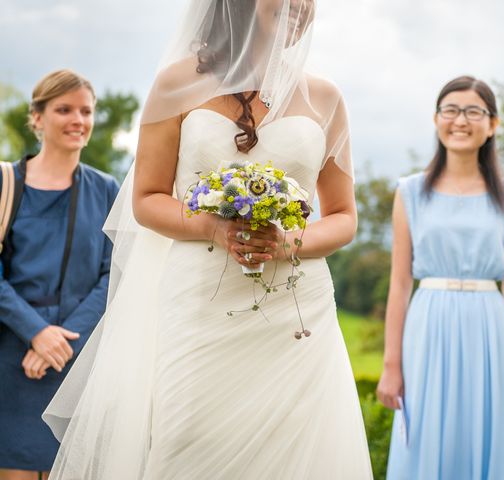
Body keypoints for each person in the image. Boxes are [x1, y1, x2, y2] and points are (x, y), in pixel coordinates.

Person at [43, 1, 373, 478]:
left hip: (295, 311)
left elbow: (342, 216)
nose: (301, 5)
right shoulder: (177, 83)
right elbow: (148, 198)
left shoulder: (325, 97)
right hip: (200, 299)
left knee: (299, 449)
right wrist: (213, 227)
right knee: (187, 442)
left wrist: (287, 242)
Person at [376, 76, 504, 479]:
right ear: (436, 119)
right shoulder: (410, 192)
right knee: (424, 438)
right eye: (450, 110)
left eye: (473, 111)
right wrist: (391, 366)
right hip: (428, 325)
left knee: (484, 435)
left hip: (490, 328)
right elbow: (399, 284)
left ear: (493, 124)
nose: (460, 120)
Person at [0, 70, 119, 480]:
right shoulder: (4, 183)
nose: (78, 120)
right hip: (10, 361)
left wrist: (65, 340)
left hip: (78, 362)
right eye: (64, 109)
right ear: (37, 118)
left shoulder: (106, 190)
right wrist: (36, 332)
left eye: (85, 111)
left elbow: (114, 275)